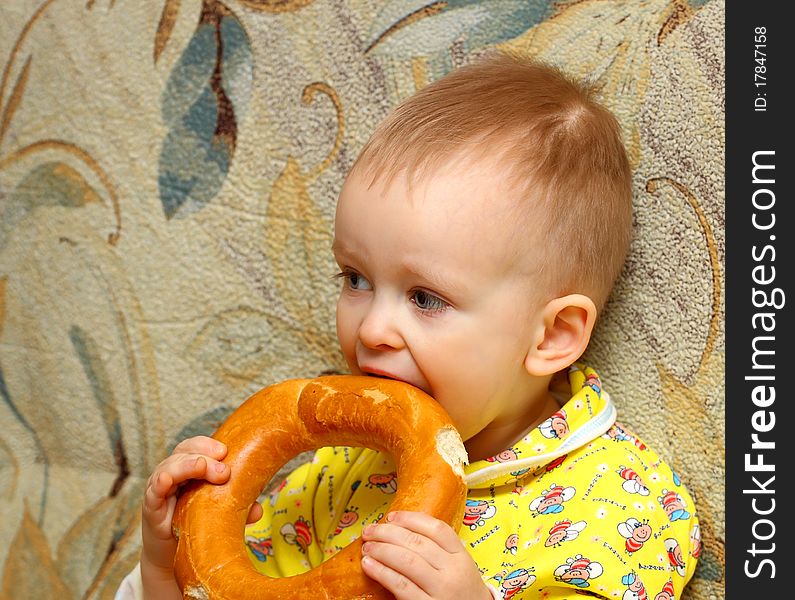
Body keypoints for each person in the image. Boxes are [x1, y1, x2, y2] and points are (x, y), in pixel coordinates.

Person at [117, 50, 700, 600]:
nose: (372, 329)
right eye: (355, 278)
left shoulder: (623, 502)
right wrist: (166, 562)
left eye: (425, 297)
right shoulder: (340, 473)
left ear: (551, 336)